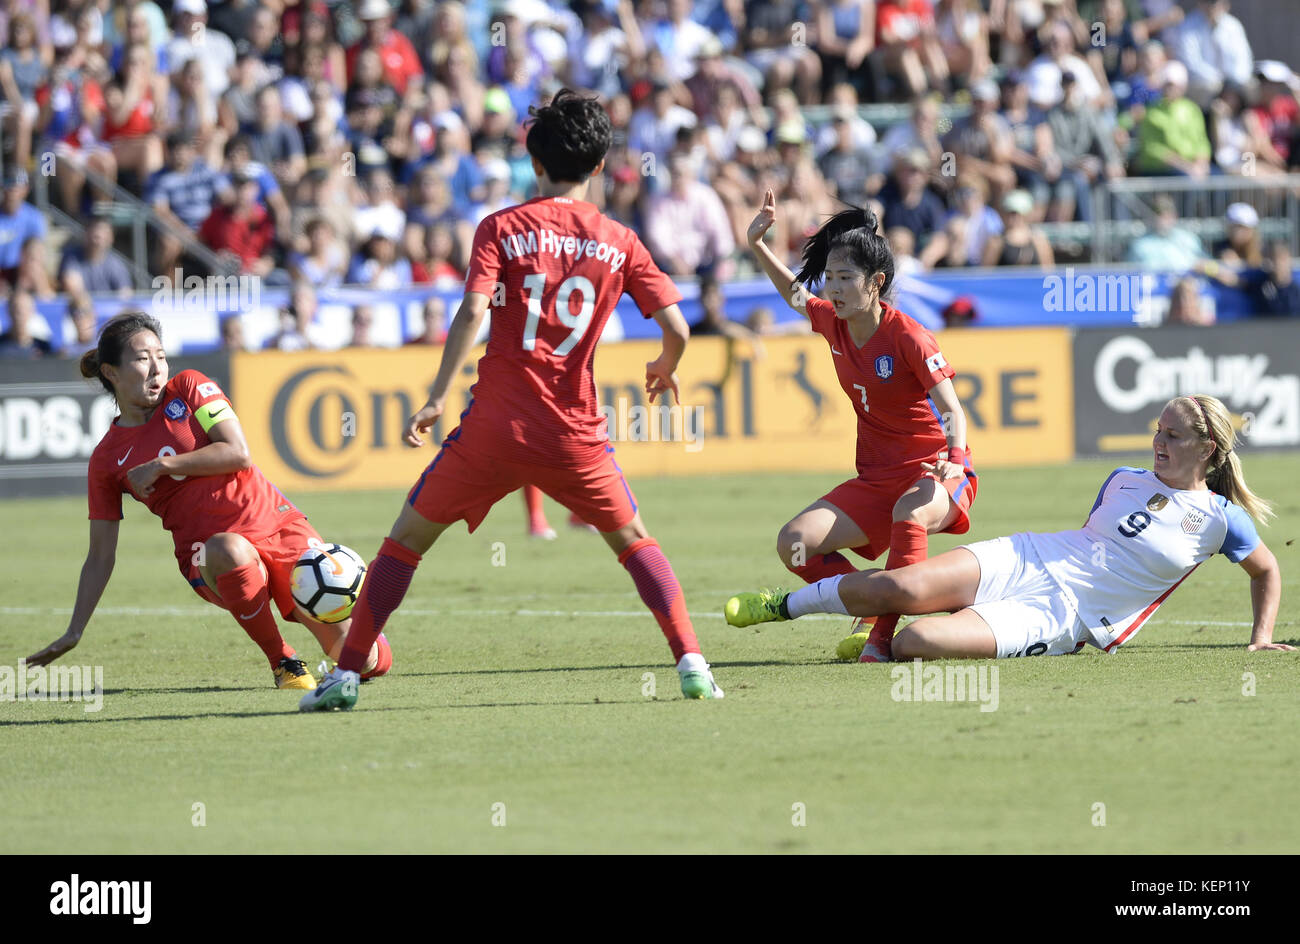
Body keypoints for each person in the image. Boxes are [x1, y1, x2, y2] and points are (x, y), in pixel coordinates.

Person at [300, 89, 725, 711]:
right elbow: (679, 328)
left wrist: (436, 395)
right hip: (574, 433)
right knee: (635, 542)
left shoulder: (501, 228)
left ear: (534, 163)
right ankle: (691, 662)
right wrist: (665, 365)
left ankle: (346, 676)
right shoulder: (621, 241)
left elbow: (473, 309)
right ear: (600, 166)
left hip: (492, 432)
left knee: (404, 542)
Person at [725, 395, 1291, 662]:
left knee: (915, 642)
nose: (1158, 443)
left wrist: (1260, 637)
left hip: (1064, 616)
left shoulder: (1221, 518)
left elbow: (1266, 570)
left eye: (1173, 436)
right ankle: (784, 604)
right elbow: (1094, 539)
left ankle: (917, 624)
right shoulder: (1124, 477)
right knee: (902, 587)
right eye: (1158, 431)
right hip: (1030, 556)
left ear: (1207, 449)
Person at [24, 311, 393, 687]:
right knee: (229, 549)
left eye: (161, 356)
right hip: (207, 555)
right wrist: (75, 631)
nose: (156, 369)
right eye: (141, 358)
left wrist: (162, 466)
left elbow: (238, 453)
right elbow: (101, 555)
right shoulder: (106, 460)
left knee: (364, 660)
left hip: (278, 526)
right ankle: (283, 661)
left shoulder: (189, 386)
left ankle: (362, 642)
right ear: (111, 373)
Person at [745, 189, 977, 664]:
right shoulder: (833, 322)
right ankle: (879, 608)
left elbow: (953, 408)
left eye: (846, 278)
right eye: (830, 277)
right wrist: (758, 245)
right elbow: (795, 295)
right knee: (794, 545)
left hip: (932, 474)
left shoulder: (909, 335)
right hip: (876, 479)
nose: (833, 287)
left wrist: (954, 463)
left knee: (909, 516)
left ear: (876, 283)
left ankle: (881, 638)